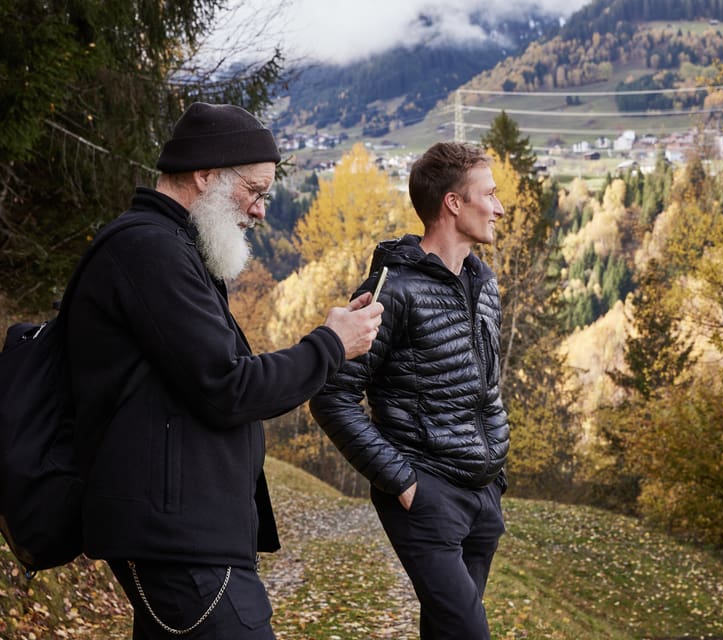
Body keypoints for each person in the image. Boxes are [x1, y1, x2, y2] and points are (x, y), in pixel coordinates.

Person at [66, 102, 383, 639]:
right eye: (255, 191)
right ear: (206, 175)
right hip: (177, 539)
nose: (260, 210)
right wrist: (332, 345)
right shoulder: (149, 251)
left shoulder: (172, 250)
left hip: (186, 531)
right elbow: (230, 386)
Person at [309, 141, 510, 640]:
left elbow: (485, 385)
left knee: (447, 629)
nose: (500, 208)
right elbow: (332, 396)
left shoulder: (483, 282)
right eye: (490, 194)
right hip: (427, 494)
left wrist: (495, 480)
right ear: (454, 204)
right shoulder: (391, 290)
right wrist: (402, 482)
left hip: (482, 494)